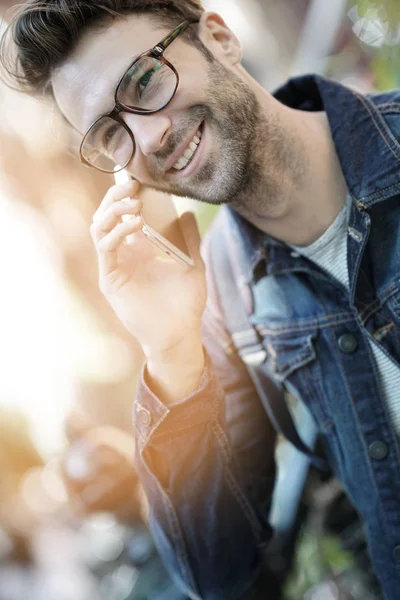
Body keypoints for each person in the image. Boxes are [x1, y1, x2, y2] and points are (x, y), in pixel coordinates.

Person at [1, 1, 400, 598]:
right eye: (112, 133)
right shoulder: (222, 298)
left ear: (219, 37)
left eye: (144, 79)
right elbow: (220, 572)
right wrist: (170, 350)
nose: (149, 134)